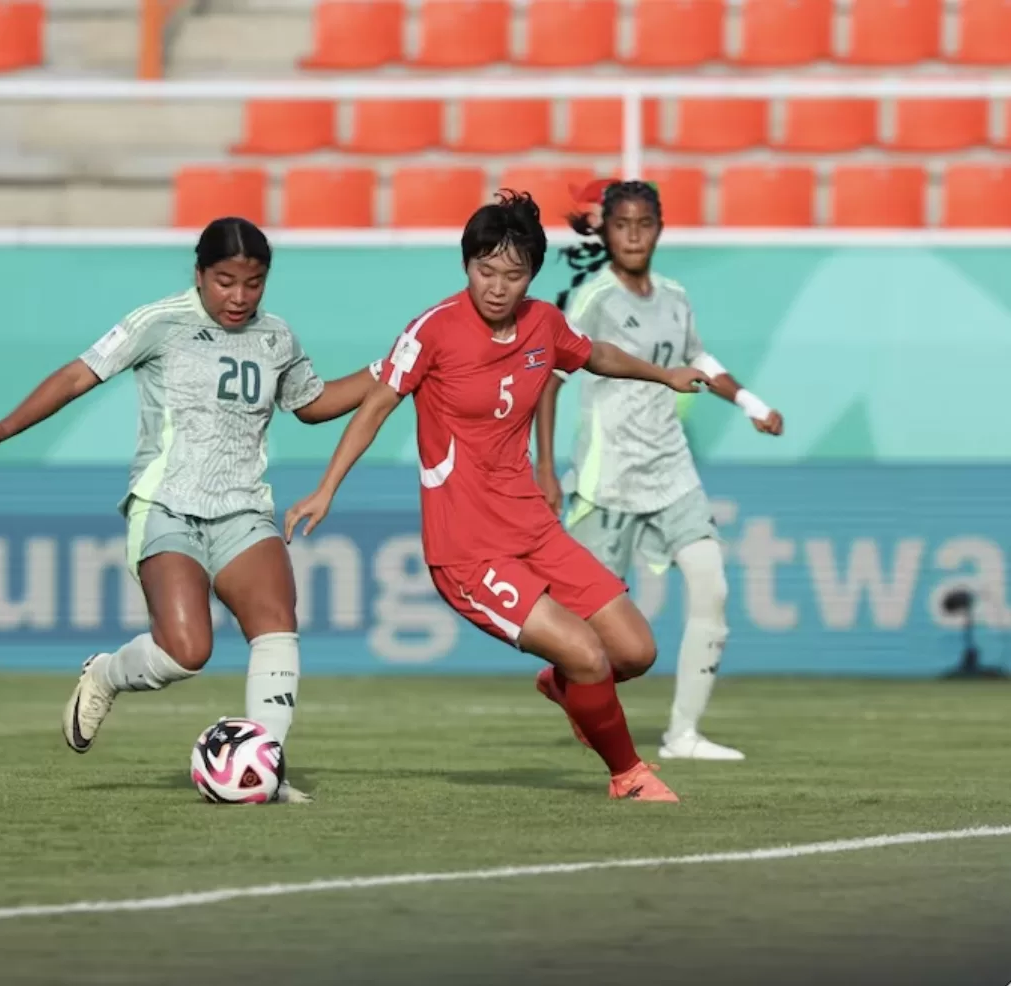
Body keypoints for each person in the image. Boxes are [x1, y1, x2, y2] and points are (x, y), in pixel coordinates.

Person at [284, 192, 709, 803]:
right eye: (485, 270)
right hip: (468, 549)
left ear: (530, 275)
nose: (497, 286)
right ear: (467, 265)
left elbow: (594, 354)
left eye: (513, 274)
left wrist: (664, 374)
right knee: (588, 655)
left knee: (636, 651)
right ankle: (628, 775)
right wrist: (326, 489)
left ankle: (566, 687)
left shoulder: (543, 323)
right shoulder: (434, 330)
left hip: (534, 529)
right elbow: (375, 407)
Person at [0, 217, 375, 804]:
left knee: (276, 621)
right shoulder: (160, 321)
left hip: (243, 509)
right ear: (199, 274)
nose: (239, 296)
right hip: (166, 506)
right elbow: (78, 375)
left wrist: (390, 371)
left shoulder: (277, 337)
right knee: (186, 651)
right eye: (225, 281)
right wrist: (6, 426)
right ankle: (105, 674)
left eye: (253, 283)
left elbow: (313, 402)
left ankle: (265, 769)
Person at [534, 179, 784, 762]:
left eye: (644, 224)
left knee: (712, 586)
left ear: (659, 229)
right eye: (622, 225)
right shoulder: (593, 300)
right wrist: (545, 467)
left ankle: (683, 735)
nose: (633, 236)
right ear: (606, 231)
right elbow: (550, 379)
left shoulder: (675, 297)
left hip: (672, 473)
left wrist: (751, 404)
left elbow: (699, 358)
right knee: (594, 632)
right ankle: (565, 683)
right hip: (607, 481)